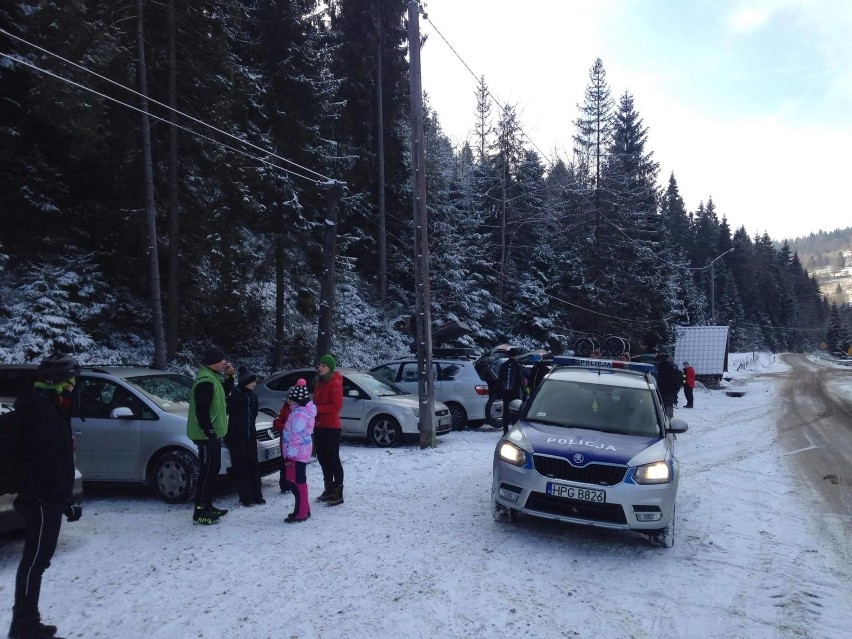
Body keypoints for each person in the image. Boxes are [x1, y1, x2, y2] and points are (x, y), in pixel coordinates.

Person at [9, 354, 83, 639]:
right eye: (71, 381)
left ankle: (28, 621)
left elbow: (57, 459)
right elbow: (47, 462)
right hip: (40, 498)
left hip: (47, 496)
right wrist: (63, 498)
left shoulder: (51, 407)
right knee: (34, 561)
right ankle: (23, 625)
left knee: (39, 560)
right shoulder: (43, 412)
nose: (74, 386)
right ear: (59, 382)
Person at [187, 345, 234, 525]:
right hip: (206, 435)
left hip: (212, 434)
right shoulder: (205, 381)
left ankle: (207, 505)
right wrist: (209, 432)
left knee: (213, 469)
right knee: (206, 472)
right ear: (214, 361)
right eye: (223, 360)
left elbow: (225, 393)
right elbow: (202, 411)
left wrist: (230, 375)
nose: (225, 363)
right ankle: (200, 511)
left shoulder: (213, 378)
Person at [226, 366, 265, 507]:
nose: (255, 383)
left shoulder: (253, 396)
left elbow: (253, 415)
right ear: (246, 382)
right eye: (253, 381)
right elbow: (226, 412)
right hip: (237, 437)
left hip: (250, 435)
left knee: (254, 465)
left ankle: (257, 495)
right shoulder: (235, 396)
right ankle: (245, 497)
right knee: (241, 467)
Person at [280, 379, 316, 523]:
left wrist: (290, 455)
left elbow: (296, 436)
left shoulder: (299, 415)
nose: (288, 400)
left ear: (295, 400)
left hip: (296, 454)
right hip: (301, 453)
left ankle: (301, 513)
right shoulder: (303, 411)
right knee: (298, 481)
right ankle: (303, 509)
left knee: (296, 482)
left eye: (290, 398)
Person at [313, 353, 344, 506]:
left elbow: (336, 406)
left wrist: (316, 409)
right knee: (322, 458)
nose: (320, 367)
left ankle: (338, 490)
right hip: (319, 426)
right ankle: (328, 487)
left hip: (331, 427)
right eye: (320, 365)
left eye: (324, 366)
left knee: (333, 458)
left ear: (330, 368)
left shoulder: (335, 383)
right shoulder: (319, 383)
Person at [496, 347, 527, 435]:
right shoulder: (518, 366)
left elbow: (500, 379)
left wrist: (497, 390)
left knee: (506, 411)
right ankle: (514, 431)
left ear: (509, 355)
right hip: (514, 391)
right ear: (516, 355)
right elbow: (521, 380)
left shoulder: (504, 365)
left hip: (505, 391)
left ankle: (505, 431)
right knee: (515, 411)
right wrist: (524, 391)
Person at [655, 352, 679, 418]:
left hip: (665, 390)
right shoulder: (672, 366)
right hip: (667, 391)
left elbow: (674, 380)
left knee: (663, 407)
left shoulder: (664, 366)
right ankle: (669, 421)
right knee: (668, 408)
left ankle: (667, 421)